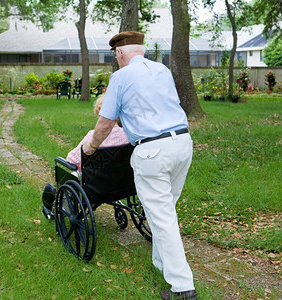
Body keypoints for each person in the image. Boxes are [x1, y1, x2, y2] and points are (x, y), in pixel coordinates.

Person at [82, 31, 197, 300]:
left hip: (152, 151)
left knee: (163, 217)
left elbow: (105, 122)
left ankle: (182, 288)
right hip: (182, 143)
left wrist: (91, 147)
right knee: (165, 210)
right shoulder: (162, 70)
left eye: (115, 56)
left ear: (120, 54)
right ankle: (160, 263)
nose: (116, 60)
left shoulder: (120, 77)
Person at [66, 94, 129, 172]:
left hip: (94, 181)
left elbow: (72, 160)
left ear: (99, 114)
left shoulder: (92, 136)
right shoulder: (128, 135)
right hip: (122, 180)